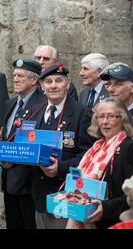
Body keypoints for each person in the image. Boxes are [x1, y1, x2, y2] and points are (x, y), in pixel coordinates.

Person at [29, 64, 95, 229]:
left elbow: (88, 154)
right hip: (38, 196)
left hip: (66, 195)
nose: (53, 85)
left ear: (68, 83)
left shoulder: (82, 113)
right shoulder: (33, 112)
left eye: (58, 81)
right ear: (42, 86)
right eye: (48, 81)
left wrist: (61, 167)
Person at [66, 97, 133, 229]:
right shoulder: (97, 147)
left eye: (111, 116)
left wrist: (106, 208)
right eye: (101, 116)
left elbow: (132, 196)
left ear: (123, 119)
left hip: (113, 221)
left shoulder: (128, 148)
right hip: (89, 216)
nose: (105, 122)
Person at [0, 58, 46, 229]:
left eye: (20, 76)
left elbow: (38, 142)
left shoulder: (43, 104)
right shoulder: (11, 103)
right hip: (9, 180)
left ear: (34, 80)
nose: (15, 79)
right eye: (14, 76)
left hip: (30, 183)